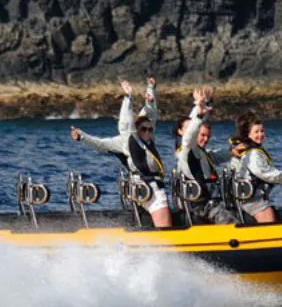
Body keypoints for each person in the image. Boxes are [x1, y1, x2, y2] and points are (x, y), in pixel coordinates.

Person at [71, 78, 170, 227]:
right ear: (137, 129)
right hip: (146, 189)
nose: (148, 132)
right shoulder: (125, 140)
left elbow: (151, 115)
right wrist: (82, 136)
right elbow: (101, 143)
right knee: (164, 227)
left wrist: (150, 91)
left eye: (150, 130)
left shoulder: (149, 139)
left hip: (153, 187)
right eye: (144, 129)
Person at [175, 86, 235, 224]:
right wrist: (198, 110)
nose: (205, 139)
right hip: (199, 206)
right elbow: (191, 131)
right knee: (230, 221)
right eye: (202, 135)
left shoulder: (202, 153)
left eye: (208, 136)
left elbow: (217, 155)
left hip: (210, 202)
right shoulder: (186, 150)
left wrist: (205, 103)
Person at [228, 112, 282, 224]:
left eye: (262, 131)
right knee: (270, 223)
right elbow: (267, 174)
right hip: (253, 202)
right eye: (256, 132)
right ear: (248, 134)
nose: (260, 134)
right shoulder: (252, 154)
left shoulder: (245, 152)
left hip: (251, 198)